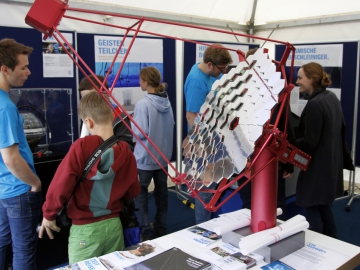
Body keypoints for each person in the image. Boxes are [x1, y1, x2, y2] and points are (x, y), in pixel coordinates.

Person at [38, 91, 140, 263]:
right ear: (114, 116)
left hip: (84, 229)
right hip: (114, 225)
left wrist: (49, 214)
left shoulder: (81, 147)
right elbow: (133, 191)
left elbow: (60, 184)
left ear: (88, 122)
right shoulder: (126, 151)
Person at [295, 62, 354, 238]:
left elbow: (309, 143)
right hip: (330, 165)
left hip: (318, 169)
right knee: (323, 206)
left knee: (312, 205)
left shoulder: (315, 104)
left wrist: (289, 141)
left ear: (312, 79)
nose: (297, 82)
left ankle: (317, 246)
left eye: (300, 78)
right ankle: (331, 243)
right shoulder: (331, 97)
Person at [237, 47, 294, 220]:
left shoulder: (275, 91)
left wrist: (288, 162)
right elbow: (287, 125)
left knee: (271, 203)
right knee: (262, 203)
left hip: (266, 156)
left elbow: (285, 126)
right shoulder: (241, 90)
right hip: (253, 157)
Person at [0, 38, 42, 270]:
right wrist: (35, 184)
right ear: (5, 69)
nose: (28, 71)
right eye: (23, 67)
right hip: (18, 190)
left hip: (4, 189)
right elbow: (11, 158)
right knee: (24, 252)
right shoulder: (5, 107)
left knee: (4, 244)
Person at [183, 44, 232, 224]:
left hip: (215, 136)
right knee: (205, 190)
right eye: (222, 68)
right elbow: (191, 116)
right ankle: (203, 230)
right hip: (204, 141)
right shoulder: (197, 82)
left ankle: (210, 222)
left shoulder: (208, 71)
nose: (224, 71)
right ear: (210, 64)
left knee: (216, 185)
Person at [131, 67, 174, 241]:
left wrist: (132, 122)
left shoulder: (142, 105)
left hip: (145, 159)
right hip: (162, 158)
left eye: (140, 80)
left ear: (147, 82)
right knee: (162, 194)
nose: (139, 83)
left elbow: (139, 132)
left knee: (140, 195)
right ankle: (161, 227)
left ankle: (145, 233)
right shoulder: (167, 102)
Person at [78, 74, 134, 149]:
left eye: (92, 98)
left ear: (106, 94)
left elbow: (128, 148)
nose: (88, 103)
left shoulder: (119, 116)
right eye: (85, 99)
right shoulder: (87, 114)